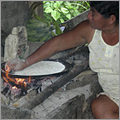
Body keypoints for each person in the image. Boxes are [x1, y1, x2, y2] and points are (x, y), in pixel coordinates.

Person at [5, 1, 119, 119]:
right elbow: (57, 44)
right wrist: (26, 62)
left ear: (111, 19)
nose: (88, 16)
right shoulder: (90, 30)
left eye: (94, 14)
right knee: (99, 106)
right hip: (113, 97)